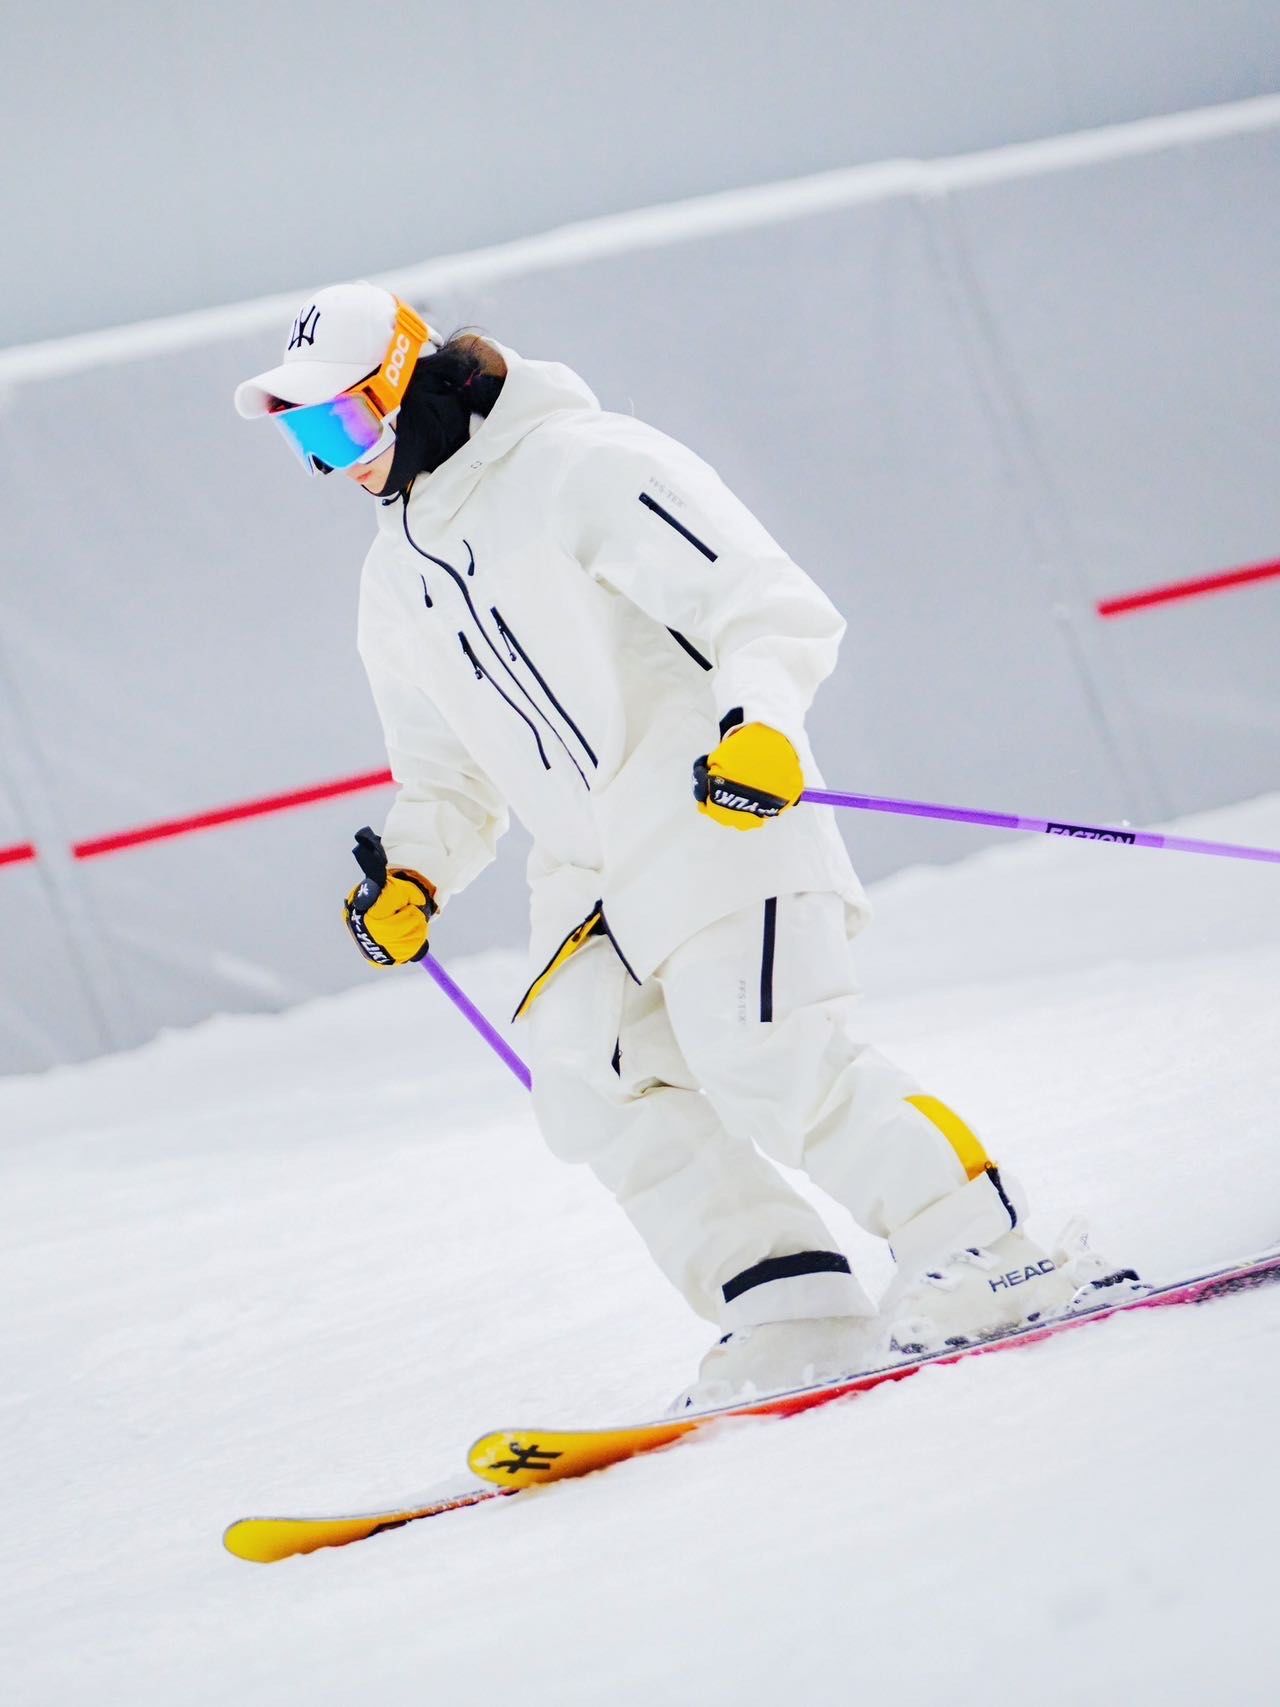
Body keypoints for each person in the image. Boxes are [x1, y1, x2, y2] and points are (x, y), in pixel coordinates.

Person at [235, 281, 1125, 1409]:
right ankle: (785, 1303)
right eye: (307, 442)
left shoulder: (581, 464)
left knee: (764, 1050)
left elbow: (762, 603)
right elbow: (444, 777)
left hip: (708, 803)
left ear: (406, 384)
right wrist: (412, 870)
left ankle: (991, 1250)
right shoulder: (391, 582)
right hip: (582, 865)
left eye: (341, 426)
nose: (335, 463)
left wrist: (758, 723)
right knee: (589, 1083)